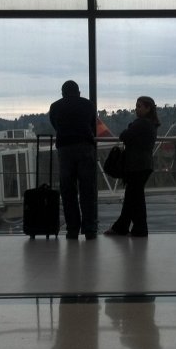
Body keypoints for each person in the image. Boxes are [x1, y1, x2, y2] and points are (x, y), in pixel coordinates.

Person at [104, 96, 160, 237]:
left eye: (139, 106)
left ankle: (128, 228)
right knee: (134, 198)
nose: (136, 109)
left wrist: (129, 127)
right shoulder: (151, 124)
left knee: (133, 198)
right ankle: (135, 228)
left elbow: (124, 135)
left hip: (136, 166)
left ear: (148, 108)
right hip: (144, 165)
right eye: (137, 106)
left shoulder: (141, 123)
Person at [49, 80, 98, 240]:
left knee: (68, 191)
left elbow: (56, 126)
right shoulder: (89, 105)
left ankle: (72, 229)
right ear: (78, 92)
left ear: (63, 93)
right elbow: (92, 125)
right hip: (85, 148)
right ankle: (90, 229)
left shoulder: (55, 106)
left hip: (65, 149)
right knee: (87, 190)